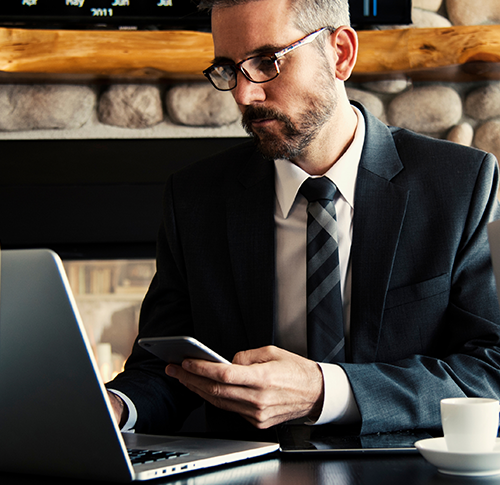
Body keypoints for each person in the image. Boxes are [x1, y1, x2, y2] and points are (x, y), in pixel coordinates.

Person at [106, 0, 500, 438]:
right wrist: (116, 408)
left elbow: (491, 371)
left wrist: (324, 392)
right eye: (228, 69)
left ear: (341, 53)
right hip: (246, 481)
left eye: (267, 61)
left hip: (406, 476)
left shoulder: (461, 184)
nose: (243, 94)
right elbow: (166, 371)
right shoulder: (195, 199)